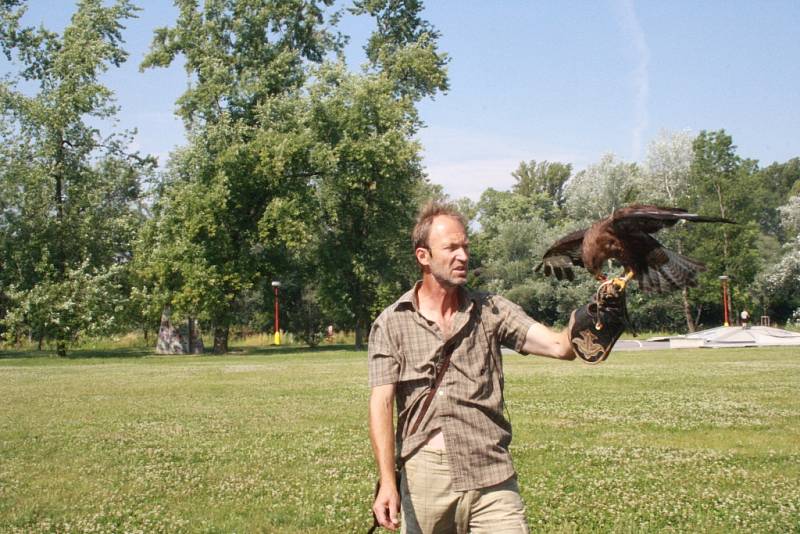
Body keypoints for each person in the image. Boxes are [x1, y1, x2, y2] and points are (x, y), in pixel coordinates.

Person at [368, 202, 616, 533]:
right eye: (451, 248)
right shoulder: (391, 323)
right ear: (423, 257)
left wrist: (595, 313)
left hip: (491, 474)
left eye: (465, 247)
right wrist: (387, 481)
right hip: (425, 477)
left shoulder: (492, 310)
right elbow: (381, 403)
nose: (463, 256)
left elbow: (560, 347)